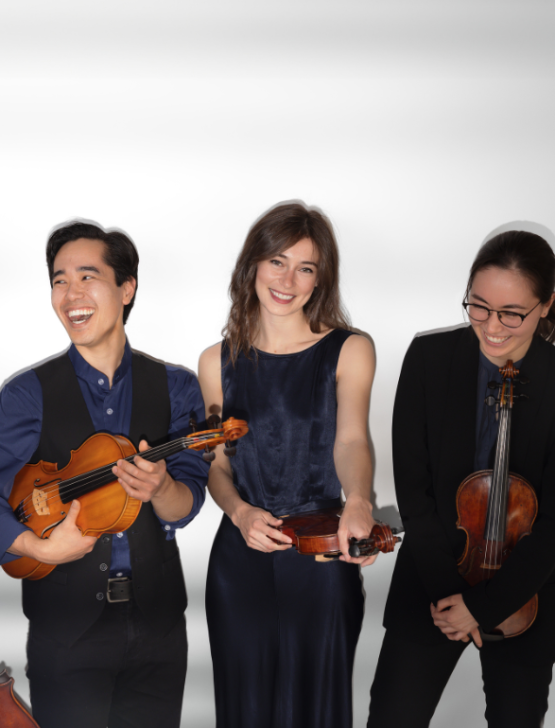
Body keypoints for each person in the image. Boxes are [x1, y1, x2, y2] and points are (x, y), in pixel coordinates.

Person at [0, 221, 208, 728]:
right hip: (65, 632)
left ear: (126, 287)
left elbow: (187, 504)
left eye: (87, 276)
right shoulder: (26, 394)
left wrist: (163, 488)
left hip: (158, 626)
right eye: (58, 280)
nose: (71, 294)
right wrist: (37, 548)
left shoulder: (177, 387)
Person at [198, 201, 377, 728]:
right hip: (240, 556)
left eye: (306, 268)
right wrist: (239, 514)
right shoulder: (216, 360)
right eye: (277, 261)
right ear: (252, 264)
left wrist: (361, 500)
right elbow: (215, 464)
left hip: (321, 555)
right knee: (243, 707)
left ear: (320, 280)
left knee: (317, 705)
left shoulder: (350, 349)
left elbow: (351, 441)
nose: (288, 279)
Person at [367, 230, 555, 728]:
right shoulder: (430, 359)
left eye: (512, 313)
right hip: (431, 584)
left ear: (547, 304)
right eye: (478, 306)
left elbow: (554, 526)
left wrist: (483, 606)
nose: (492, 327)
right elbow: (415, 492)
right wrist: (452, 596)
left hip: (527, 596)